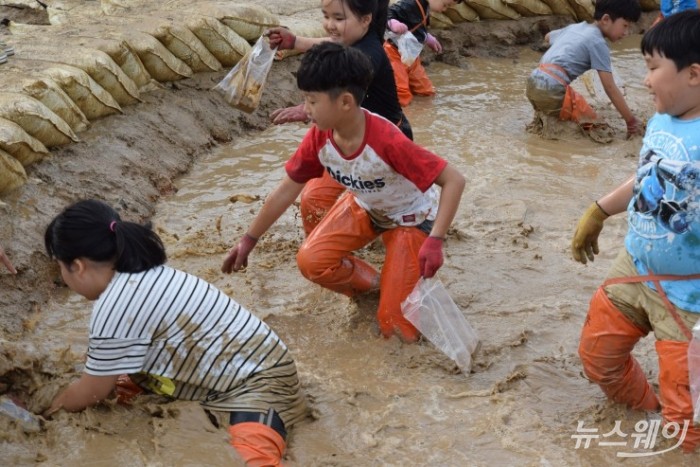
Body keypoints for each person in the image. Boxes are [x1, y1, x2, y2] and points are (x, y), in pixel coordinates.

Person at [221, 42, 465, 343]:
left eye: (311, 102)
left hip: (410, 219)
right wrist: (249, 240)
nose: (305, 110)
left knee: (397, 330)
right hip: (366, 206)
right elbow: (286, 190)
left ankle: (399, 291)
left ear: (346, 102)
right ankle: (379, 284)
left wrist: (436, 241)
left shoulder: (388, 140)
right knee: (311, 261)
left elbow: (454, 180)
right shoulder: (319, 137)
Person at [43, 199, 308, 466]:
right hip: (237, 367)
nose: (63, 277)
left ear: (76, 266)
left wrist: (45, 409)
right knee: (120, 385)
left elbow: (91, 392)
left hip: (260, 384)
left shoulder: (116, 303)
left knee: (251, 461)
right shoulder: (142, 273)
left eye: (60, 268)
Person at [571, 10, 700, 452]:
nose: (645, 82)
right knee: (597, 357)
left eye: (652, 69)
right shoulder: (662, 122)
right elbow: (648, 178)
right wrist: (599, 211)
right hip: (637, 266)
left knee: (688, 422)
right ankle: (645, 414)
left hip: (690, 300)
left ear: (694, 74)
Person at [268, 0, 414, 236]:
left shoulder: (369, 55)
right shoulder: (353, 38)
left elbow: (342, 84)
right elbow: (335, 42)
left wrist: (306, 109)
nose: (329, 26)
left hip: (385, 150)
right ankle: (325, 253)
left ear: (365, 19)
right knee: (313, 199)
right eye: (327, 17)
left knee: (387, 220)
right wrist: (296, 42)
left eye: (338, 18)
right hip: (347, 141)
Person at [525, 0, 645, 140]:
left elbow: (548, 37)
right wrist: (631, 121)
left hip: (533, 82)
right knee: (600, 130)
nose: (626, 32)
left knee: (556, 121)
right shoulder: (598, 42)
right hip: (553, 89)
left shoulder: (575, 27)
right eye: (625, 26)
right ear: (606, 19)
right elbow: (610, 87)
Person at [384, 0, 458, 107]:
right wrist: (391, 23)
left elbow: (417, 26)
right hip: (393, 52)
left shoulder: (425, 7)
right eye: (445, 5)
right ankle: (404, 116)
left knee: (426, 91)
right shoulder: (410, 3)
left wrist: (426, 36)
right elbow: (386, 13)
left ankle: (423, 109)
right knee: (401, 93)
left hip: (411, 55)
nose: (444, 9)